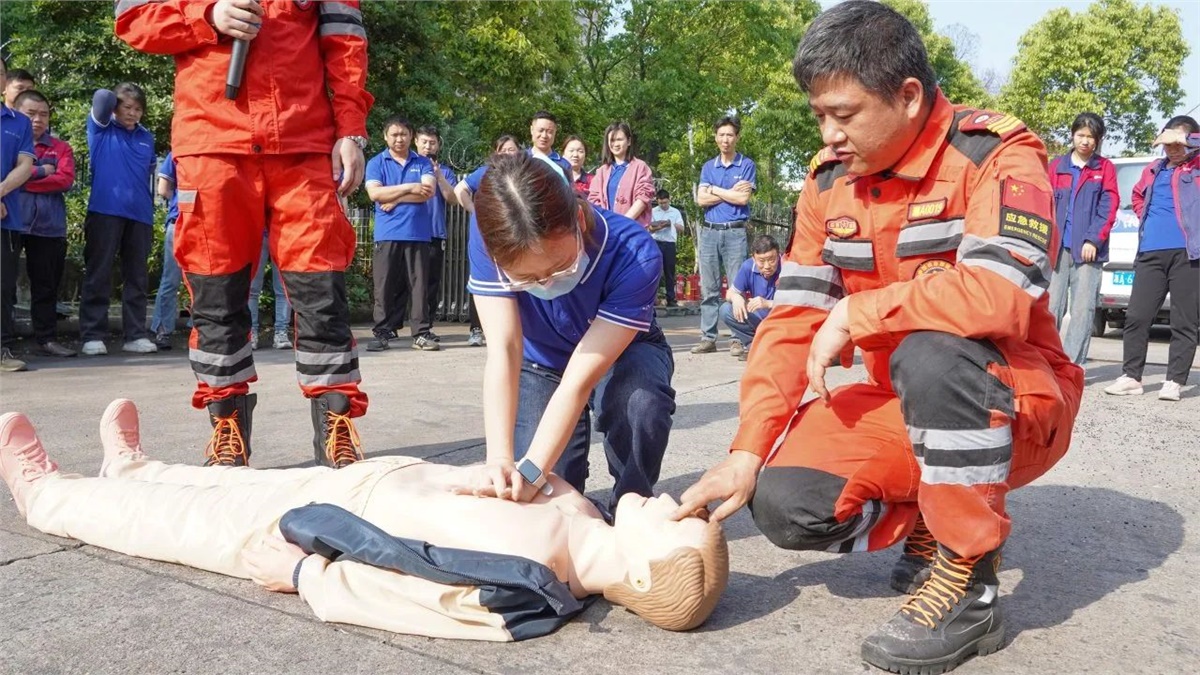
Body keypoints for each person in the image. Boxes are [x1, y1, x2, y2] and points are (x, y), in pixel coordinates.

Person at [673, 3, 1083, 672]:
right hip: (903, 398)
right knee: (786, 503)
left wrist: (859, 314)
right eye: (819, 116)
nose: (829, 135)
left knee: (932, 348)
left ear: (909, 96)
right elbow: (793, 321)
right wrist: (746, 451)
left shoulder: (996, 153)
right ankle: (930, 514)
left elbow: (999, 296)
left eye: (843, 114)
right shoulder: (827, 182)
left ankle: (969, 582)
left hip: (1014, 399)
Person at [0, 400, 728, 639]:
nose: (675, 501)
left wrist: (307, 576)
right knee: (223, 482)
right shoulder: (582, 509)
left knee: (183, 523)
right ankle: (136, 470)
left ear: (642, 572)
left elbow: (408, 602)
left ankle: (50, 496)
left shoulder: (530, 591)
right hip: (358, 482)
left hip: (316, 529)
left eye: (679, 522)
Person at [116, 0, 374, 470]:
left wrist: (351, 130)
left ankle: (336, 425)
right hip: (212, 142)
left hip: (303, 143)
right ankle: (227, 428)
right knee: (216, 296)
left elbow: (346, 40)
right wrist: (207, 16)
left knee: (322, 291)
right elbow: (133, 18)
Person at [468, 152, 675, 514]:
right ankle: (585, 513)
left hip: (621, 354)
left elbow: (578, 382)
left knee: (639, 403)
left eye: (559, 267)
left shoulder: (635, 253)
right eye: (526, 278)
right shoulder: (491, 234)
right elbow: (504, 349)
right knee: (548, 489)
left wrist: (532, 469)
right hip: (540, 360)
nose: (546, 283)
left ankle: (631, 504)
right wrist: (500, 460)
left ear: (578, 218)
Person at [1105, 116, 1200, 401]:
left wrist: (1190, 140)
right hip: (1150, 251)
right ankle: (1131, 377)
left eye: (1178, 143)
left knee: (1183, 320)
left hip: (1188, 254)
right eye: (1167, 143)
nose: (1172, 149)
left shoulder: (1196, 167)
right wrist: (1147, 219)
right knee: (1137, 315)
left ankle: (1174, 381)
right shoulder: (1153, 169)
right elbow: (1137, 196)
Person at [78, 84, 158, 357]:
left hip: (140, 214)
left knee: (137, 277)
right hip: (105, 210)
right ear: (115, 108)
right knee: (98, 273)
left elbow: (149, 171)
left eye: (138, 109)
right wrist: (114, 101)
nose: (132, 113)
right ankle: (92, 335)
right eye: (127, 107)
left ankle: (135, 335)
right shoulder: (101, 128)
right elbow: (101, 96)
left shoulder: (147, 137)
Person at [1047, 112, 1118, 365]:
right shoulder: (1056, 166)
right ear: (1072, 135)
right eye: (1081, 135)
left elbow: (1109, 207)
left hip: (1088, 250)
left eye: (1091, 137)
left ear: (1098, 140)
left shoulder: (1104, 168)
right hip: (1056, 249)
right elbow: (1044, 202)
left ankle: (1072, 367)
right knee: (1049, 308)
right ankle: (1046, 362)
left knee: (1082, 310)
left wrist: (1093, 240)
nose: (1085, 141)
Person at [364, 117, 437, 353]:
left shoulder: (423, 162)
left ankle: (421, 333)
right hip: (387, 233)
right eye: (394, 134)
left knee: (419, 287)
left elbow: (427, 192)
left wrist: (395, 198)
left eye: (403, 134)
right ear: (385, 137)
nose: (399, 139)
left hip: (418, 234)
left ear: (411, 136)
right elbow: (375, 194)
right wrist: (409, 187)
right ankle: (382, 332)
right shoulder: (376, 162)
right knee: (384, 285)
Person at [15, 90, 76, 358]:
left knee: (46, 286)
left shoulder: (60, 148)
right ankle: (6, 341)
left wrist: (22, 181)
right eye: (31, 114)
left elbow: (64, 180)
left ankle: (46, 339)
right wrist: (41, 171)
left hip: (49, 226)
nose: (38, 120)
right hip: (13, 221)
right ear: (17, 113)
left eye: (43, 114)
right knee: (4, 285)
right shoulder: (9, 142)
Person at [691, 116, 755, 354]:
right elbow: (701, 199)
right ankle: (708, 337)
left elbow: (743, 198)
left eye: (730, 135)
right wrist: (728, 192)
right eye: (721, 135)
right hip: (709, 232)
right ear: (715, 137)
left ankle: (738, 338)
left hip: (735, 232)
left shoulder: (746, 164)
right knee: (709, 289)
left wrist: (715, 189)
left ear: (737, 137)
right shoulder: (708, 166)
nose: (725, 139)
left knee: (737, 287)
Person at [455, 134, 522, 347]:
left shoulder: (523, 172)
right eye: (503, 150)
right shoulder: (485, 172)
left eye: (512, 150)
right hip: (487, 240)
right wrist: (475, 211)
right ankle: (477, 329)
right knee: (483, 282)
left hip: (515, 239)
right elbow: (460, 189)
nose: (507, 154)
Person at [0, 57, 35, 374]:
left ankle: (2, 350)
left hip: (6, 216)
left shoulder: (19, 122)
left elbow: (25, 165)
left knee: (3, 287)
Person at [416, 125, 458, 337]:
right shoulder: (410, 167)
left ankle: (427, 325)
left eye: (432, 142)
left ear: (438, 145)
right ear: (416, 142)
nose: (428, 146)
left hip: (434, 233)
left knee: (431, 283)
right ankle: (391, 326)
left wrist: (439, 175)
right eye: (424, 142)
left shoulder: (446, 172)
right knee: (404, 281)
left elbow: (453, 198)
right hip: (410, 233)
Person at [719, 234, 780, 361]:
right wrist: (736, 298)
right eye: (761, 261)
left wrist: (768, 303)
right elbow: (730, 293)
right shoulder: (748, 267)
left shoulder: (788, 266)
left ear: (778, 255)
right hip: (759, 321)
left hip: (782, 322)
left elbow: (798, 303)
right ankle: (755, 347)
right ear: (754, 258)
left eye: (771, 260)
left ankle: (775, 348)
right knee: (726, 309)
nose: (767, 266)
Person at [589, 121, 656, 233]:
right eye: (612, 140)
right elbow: (594, 201)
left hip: (633, 231)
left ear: (629, 141)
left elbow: (643, 197)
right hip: (608, 231)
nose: (616, 144)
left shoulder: (640, 167)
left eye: (619, 139)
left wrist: (623, 223)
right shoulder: (602, 171)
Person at [149, 151, 182, 351]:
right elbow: (163, 189)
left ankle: (163, 330)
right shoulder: (177, 153)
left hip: (180, 220)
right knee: (175, 280)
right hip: (183, 222)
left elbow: (163, 189)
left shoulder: (177, 152)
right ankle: (203, 330)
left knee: (171, 280)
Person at [248, 237, 293, 351]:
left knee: (283, 288)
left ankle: (281, 332)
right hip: (259, 235)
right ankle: (251, 333)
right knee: (252, 289)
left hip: (281, 235)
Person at [649, 189, 685, 307]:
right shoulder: (653, 211)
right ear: (657, 201)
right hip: (656, 242)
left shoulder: (675, 212)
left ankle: (671, 298)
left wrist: (670, 224)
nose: (663, 205)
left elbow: (682, 228)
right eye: (660, 203)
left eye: (665, 202)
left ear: (669, 200)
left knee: (669, 271)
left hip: (669, 243)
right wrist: (660, 226)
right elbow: (650, 228)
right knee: (655, 270)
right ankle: (653, 299)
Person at [526, 111, 574, 181]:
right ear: (532, 130)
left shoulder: (564, 165)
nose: (544, 136)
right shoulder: (520, 159)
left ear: (555, 133)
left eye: (549, 132)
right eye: (540, 130)